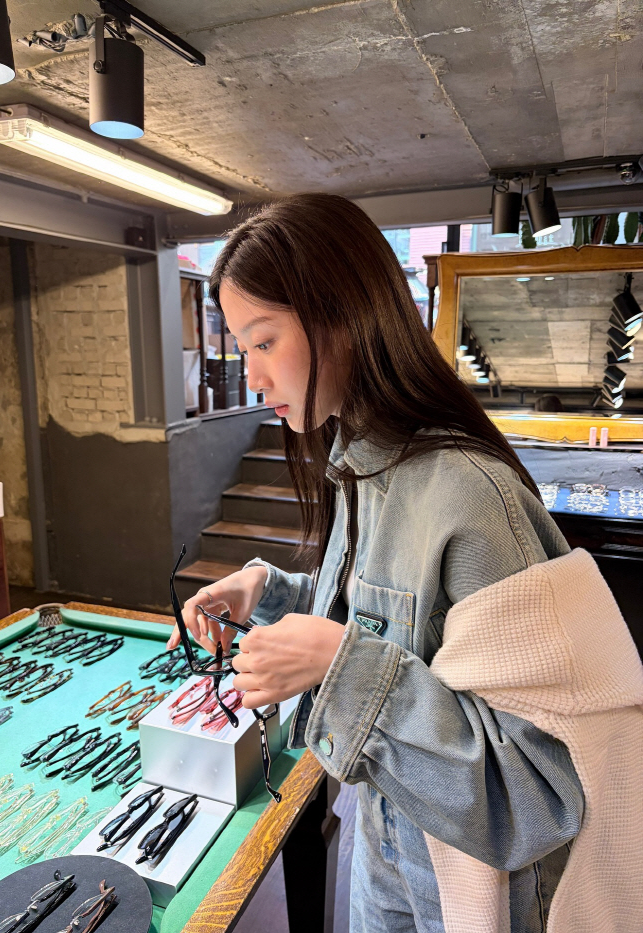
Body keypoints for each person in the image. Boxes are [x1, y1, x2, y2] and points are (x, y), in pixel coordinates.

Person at [166, 194, 643, 933]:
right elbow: (400, 626)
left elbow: (538, 796)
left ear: (343, 318)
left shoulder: (468, 495)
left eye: (263, 342)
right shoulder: (359, 463)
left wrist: (339, 666)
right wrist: (271, 591)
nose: (252, 375)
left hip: (464, 887)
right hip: (385, 840)